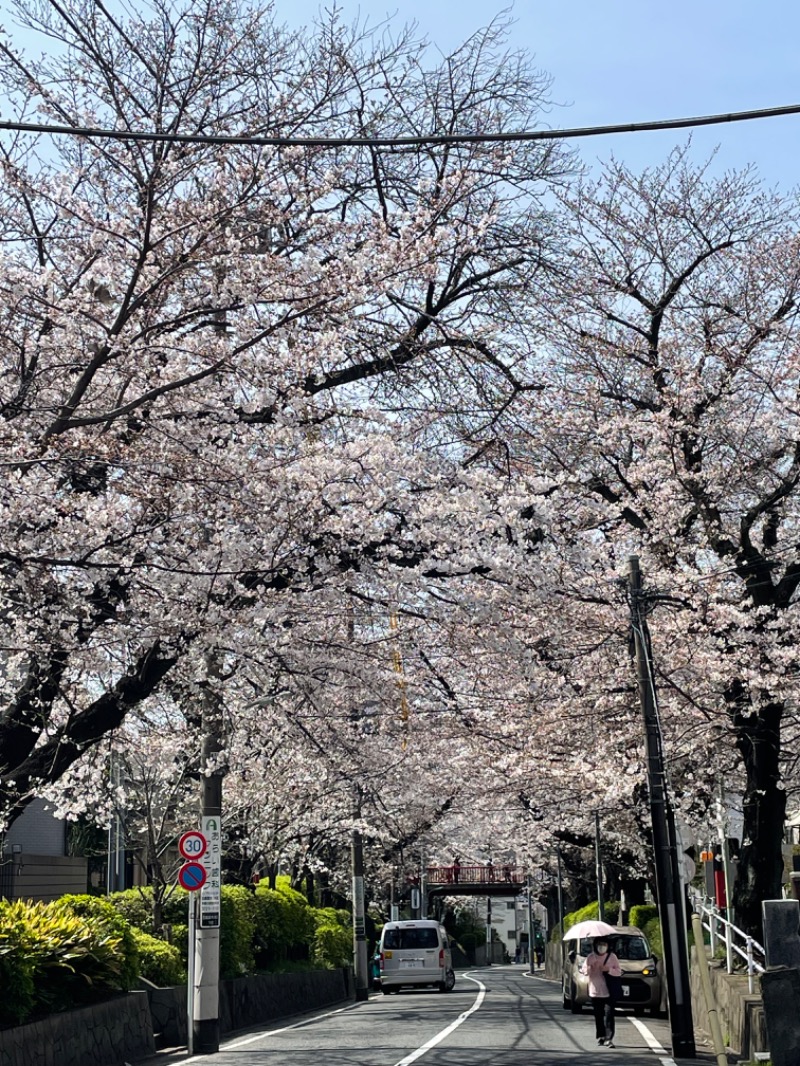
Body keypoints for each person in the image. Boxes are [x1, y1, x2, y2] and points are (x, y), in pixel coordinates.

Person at [581, 936, 623, 1047]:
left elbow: (619, 971)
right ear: (595, 945)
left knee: (609, 1014)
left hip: (609, 990)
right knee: (598, 1015)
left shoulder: (612, 957)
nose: (602, 947)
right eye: (600, 944)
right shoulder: (590, 957)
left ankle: (609, 1038)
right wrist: (590, 968)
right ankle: (601, 1036)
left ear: (608, 946)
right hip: (595, 990)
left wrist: (608, 970)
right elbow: (584, 970)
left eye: (604, 945)